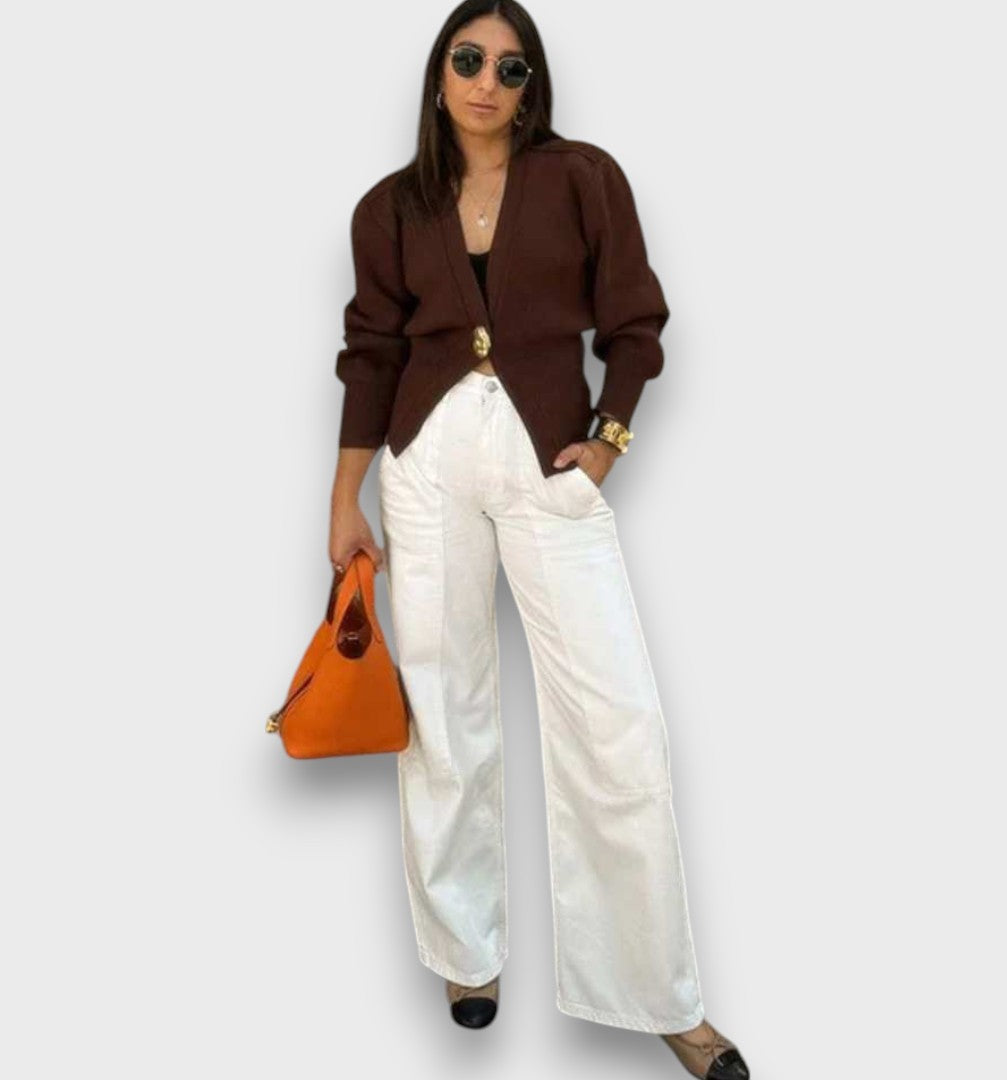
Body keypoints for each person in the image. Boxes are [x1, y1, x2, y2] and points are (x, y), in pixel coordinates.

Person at [328, 4, 751, 1077]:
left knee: (617, 722)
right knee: (443, 710)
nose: (487, 81)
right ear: (439, 76)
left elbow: (637, 328)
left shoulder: (583, 178)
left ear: (531, 87)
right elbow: (370, 354)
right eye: (468, 60)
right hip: (425, 464)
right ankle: (465, 951)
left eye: (510, 68)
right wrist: (345, 497)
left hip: (549, 462)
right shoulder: (388, 207)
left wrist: (608, 442)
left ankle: (660, 994)